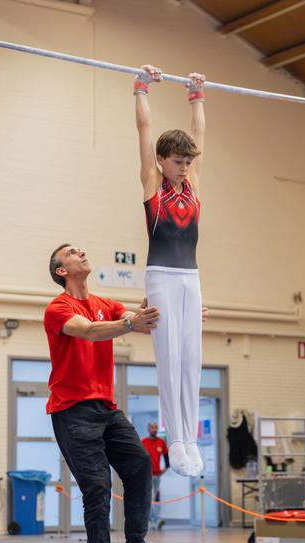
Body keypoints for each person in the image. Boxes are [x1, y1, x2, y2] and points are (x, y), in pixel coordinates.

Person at [44, 243, 176, 543]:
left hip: (106, 408)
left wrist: (177, 315)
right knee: (97, 486)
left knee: (139, 463)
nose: (81, 251)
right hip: (72, 409)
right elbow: (88, 331)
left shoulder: (107, 304)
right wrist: (132, 324)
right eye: (72, 252)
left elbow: (139, 320)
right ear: (62, 271)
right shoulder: (58, 308)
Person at [134, 64, 206, 477]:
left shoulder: (193, 183)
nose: (182, 167)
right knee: (170, 355)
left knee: (192, 356)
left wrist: (196, 97)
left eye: (186, 162)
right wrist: (141, 88)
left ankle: (190, 439)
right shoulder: (152, 183)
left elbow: (199, 137)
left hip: (191, 277)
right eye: (177, 162)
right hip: (160, 273)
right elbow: (144, 130)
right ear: (161, 161)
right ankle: (174, 438)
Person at [142, 422, 169, 530]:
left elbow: (166, 456)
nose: (155, 429)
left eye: (156, 427)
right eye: (152, 427)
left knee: (156, 498)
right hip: (147, 475)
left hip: (158, 475)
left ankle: (152, 520)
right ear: (148, 429)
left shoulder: (161, 442)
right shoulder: (143, 442)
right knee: (151, 497)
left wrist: (165, 468)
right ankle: (156, 519)